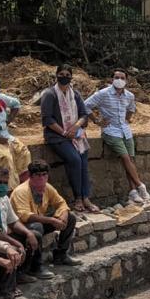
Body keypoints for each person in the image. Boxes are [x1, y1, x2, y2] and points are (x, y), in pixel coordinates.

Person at [84, 68, 149, 204]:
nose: (119, 80)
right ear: (112, 79)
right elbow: (85, 105)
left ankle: (133, 192)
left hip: (125, 130)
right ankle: (140, 185)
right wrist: (97, 121)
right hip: (110, 131)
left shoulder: (129, 96)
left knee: (130, 160)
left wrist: (127, 119)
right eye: (116, 77)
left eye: (122, 78)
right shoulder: (103, 93)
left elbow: (131, 108)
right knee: (125, 157)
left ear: (127, 80)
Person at [40, 64, 98, 213]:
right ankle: (78, 197)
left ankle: (86, 197)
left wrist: (76, 127)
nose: (64, 77)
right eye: (62, 74)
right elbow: (47, 119)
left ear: (71, 77)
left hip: (76, 135)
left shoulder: (75, 94)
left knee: (83, 162)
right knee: (74, 159)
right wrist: (65, 132)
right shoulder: (50, 94)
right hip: (57, 136)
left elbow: (83, 114)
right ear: (56, 75)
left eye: (67, 75)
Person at [0, 166, 53, 282]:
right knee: (12, 248)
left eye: (5, 183)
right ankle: (5, 288)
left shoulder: (3, 198)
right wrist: (16, 243)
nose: (2, 186)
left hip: (3, 235)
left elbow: (13, 222)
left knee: (35, 235)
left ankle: (24, 272)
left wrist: (28, 233)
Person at [10, 160, 81, 267]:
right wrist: (51, 220)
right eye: (38, 175)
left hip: (38, 221)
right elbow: (25, 216)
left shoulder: (47, 187)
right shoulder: (21, 191)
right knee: (36, 226)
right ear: (31, 176)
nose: (42, 178)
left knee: (71, 218)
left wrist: (63, 216)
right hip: (21, 227)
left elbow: (61, 203)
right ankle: (35, 266)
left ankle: (61, 255)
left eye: (44, 174)